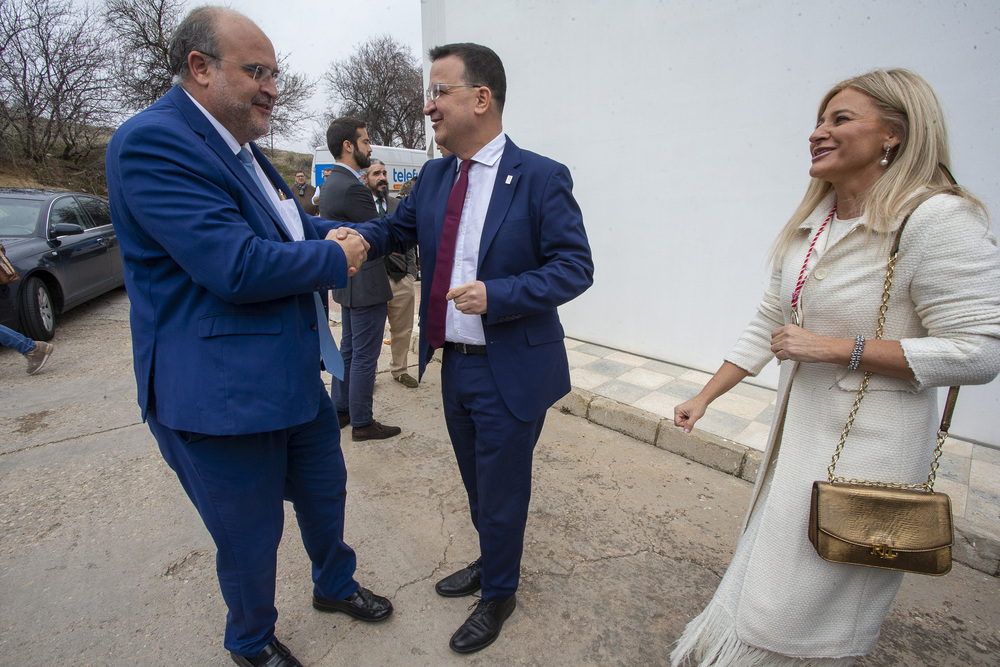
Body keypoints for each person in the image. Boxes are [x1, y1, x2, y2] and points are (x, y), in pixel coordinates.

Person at [671, 69, 1000, 666]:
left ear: (893, 135)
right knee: (769, 578)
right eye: (820, 121)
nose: (817, 133)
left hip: (870, 456)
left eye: (840, 120)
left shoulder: (935, 219)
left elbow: (980, 350)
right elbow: (769, 322)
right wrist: (706, 395)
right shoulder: (813, 223)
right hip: (797, 442)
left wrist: (834, 347)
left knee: (809, 605)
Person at [104, 8, 392, 666]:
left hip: (292, 378)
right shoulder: (153, 142)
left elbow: (287, 230)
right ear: (199, 67)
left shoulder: (240, 147)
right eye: (255, 71)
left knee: (326, 491)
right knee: (249, 536)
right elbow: (235, 264)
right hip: (220, 399)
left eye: (275, 74)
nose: (271, 87)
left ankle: (334, 584)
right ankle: (251, 639)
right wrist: (339, 257)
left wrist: (359, 237)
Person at [353, 43, 594, 654]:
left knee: (504, 489)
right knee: (478, 485)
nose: (428, 105)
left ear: (480, 99)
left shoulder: (541, 176)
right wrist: (345, 237)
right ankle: (492, 563)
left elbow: (575, 267)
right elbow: (394, 230)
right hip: (455, 366)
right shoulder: (436, 176)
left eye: (439, 91)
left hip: (510, 367)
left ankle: (500, 593)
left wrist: (500, 293)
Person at [319, 118, 401, 441]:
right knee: (365, 354)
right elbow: (380, 232)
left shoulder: (330, 185)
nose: (370, 148)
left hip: (347, 284)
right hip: (365, 284)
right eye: (366, 142)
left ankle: (342, 409)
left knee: (349, 350)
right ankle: (363, 421)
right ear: (349, 146)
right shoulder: (353, 186)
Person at [366, 159, 419, 388]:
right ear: (365, 178)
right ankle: (370, 374)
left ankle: (400, 370)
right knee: (372, 332)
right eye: (376, 173)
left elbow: (410, 240)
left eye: (384, 173)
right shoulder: (360, 205)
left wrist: (411, 273)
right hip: (371, 279)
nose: (382, 177)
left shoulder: (398, 204)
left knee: (403, 329)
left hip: (400, 279)